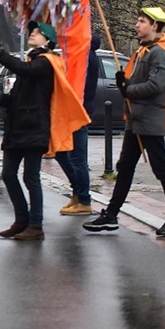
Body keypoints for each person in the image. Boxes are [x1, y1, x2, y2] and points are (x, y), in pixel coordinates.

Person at [83, 7, 165, 237]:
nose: (137, 24)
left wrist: (128, 89)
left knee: (160, 168)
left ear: (154, 26)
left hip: (149, 120)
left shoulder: (159, 53)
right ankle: (112, 215)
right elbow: (142, 81)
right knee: (125, 167)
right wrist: (125, 81)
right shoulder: (145, 51)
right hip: (136, 120)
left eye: (141, 21)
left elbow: (157, 85)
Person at [0, 22, 58, 241]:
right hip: (17, 129)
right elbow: (16, 99)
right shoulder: (31, 61)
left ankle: (36, 226)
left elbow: (25, 70)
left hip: (35, 128)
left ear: (47, 41)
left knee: (31, 178)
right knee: (8, 174)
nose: (32, 34)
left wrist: (0, 54)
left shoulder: (46, 62)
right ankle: (21, 220)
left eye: (37, 33)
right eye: (32, 32)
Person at [57, 34, 100, 216]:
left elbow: (78, 84)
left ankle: (83, 198)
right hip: (73, 110)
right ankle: (78, 192)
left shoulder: (87, 58)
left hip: (79, 111)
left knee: (77, 158)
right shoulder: (84, 56)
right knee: (60, 152)